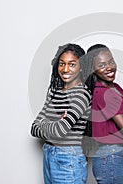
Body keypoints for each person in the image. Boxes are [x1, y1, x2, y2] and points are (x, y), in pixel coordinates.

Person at [30, 43, 91, 184]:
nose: (65, 69)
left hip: (69, 158)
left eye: (72, 64)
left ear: (81, 67)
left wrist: (45, 123)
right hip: (49, 154)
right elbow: (33, 128)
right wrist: (54, 123)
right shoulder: (54, 91)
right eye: (62, 64)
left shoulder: (82, 94)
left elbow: (60, 131)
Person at [85, 44, 123, 184]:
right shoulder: (104, 93)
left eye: (111, 62)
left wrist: (115, 136)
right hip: (110, 160)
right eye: (101, 65)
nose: (109, 67)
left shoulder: (115, 87)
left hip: (118, 157)